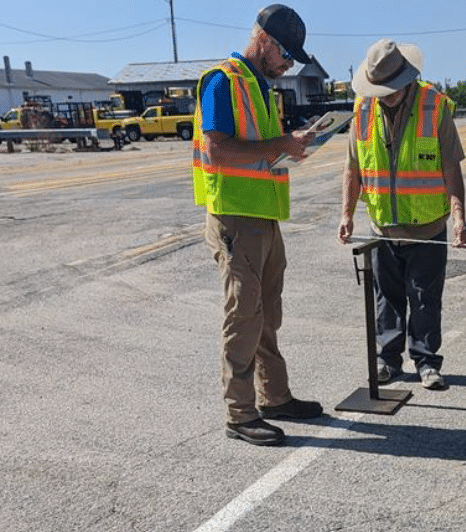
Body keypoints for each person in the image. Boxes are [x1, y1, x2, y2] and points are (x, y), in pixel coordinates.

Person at [193, 4, 322, 447]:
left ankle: (275, 397)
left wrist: (291, 146)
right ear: (264, 40)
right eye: (286, 53)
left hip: (263, 216)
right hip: (235, 217)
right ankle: (240, 414)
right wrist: (280, 144)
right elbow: (218, 152)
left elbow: (261, 151)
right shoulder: (223, 81)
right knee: (244, 315)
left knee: (268, 311)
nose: (288, 63)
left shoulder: (260, 88)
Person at [338, 39, 466, 390]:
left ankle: (426, 362)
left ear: (406, 80)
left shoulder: (435, 107)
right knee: (387, 299)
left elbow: (451, 167)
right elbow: (353, 169)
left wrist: (458, 218)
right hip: (383, 226)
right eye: (377, 89)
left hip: (427, 227)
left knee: (425, 299)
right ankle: (388, 360)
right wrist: (347, 214)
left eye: (390, 90)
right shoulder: (362, 109)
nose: (383, 96)